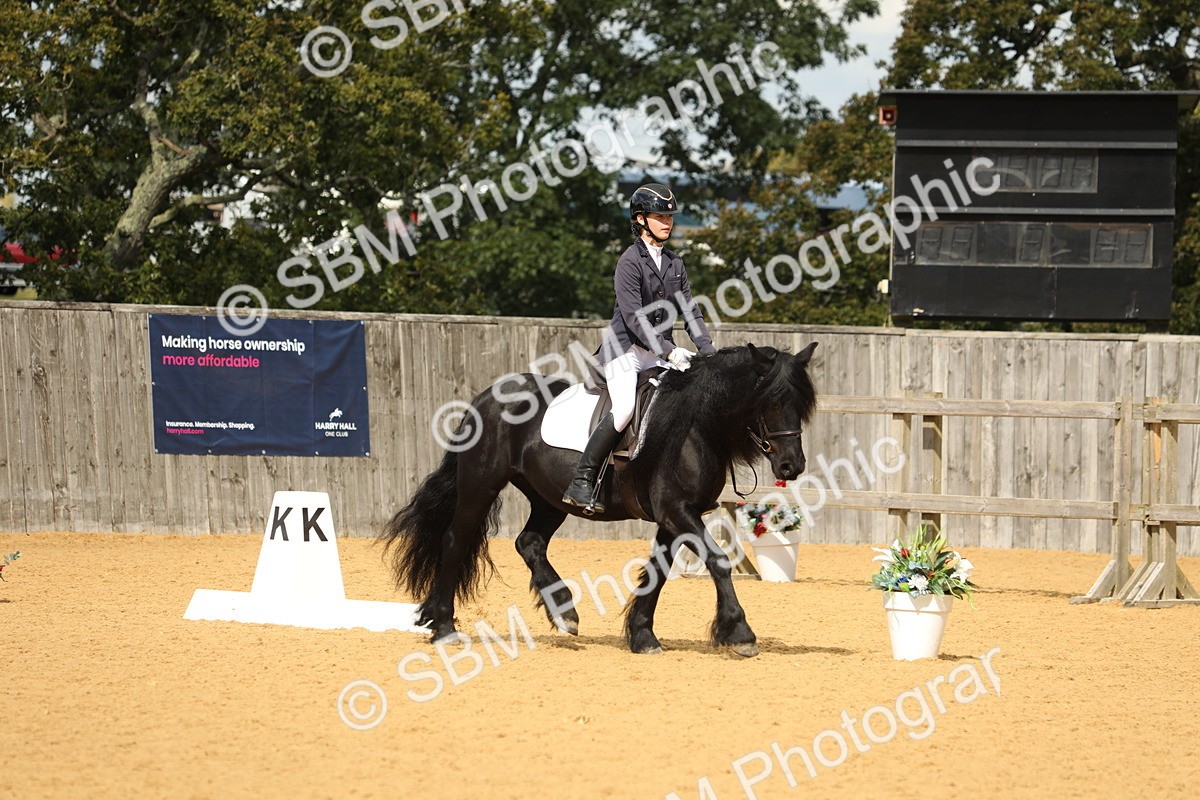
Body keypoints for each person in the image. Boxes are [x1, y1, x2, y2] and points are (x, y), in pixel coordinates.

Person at [562, 183, 717, 512]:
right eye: (660, 216)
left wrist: (707, 351)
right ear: (641, 219)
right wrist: (668, 350)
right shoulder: (629, 262)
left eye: (670, 216)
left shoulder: (675, 264)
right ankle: (582, 481)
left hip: (660, 351)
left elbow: (690, 311)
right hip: (624, 351)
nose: (668, 222)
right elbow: (635, 319)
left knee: (685, 401)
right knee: (624, 411)